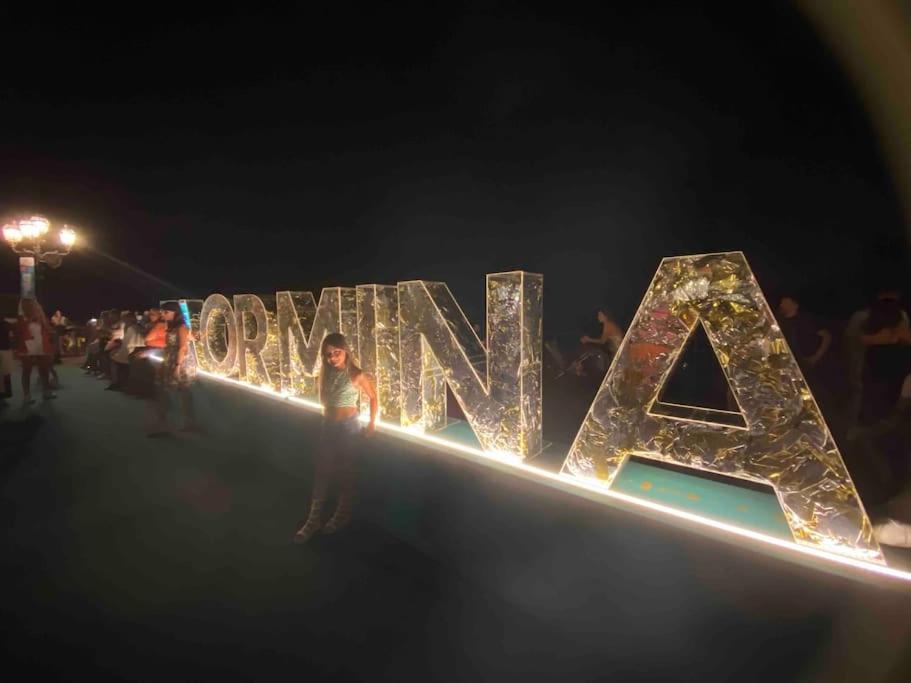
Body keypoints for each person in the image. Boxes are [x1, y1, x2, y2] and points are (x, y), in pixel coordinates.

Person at [294, 332, 377, 543]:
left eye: (337, 352)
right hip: (328, 426)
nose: (332, 358)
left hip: (349, 428)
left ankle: (341, 515)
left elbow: (373, 397)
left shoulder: (356, 374)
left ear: (345, 351)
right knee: (322, 471)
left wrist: (371, 424)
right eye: (328, 354)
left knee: (347, 472)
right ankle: (314, 519)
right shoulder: (326, 373)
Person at [149, 302, 198, 436]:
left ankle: (172, 423)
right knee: (175, 392)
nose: (163, 314)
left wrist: (177, 366)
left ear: (175, 313)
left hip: (180, 362)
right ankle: (173, 423)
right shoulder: (171, 327)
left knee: (178, 392)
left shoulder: (182, 327)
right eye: (162, 312)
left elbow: (182, 347)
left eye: (166, 312)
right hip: (171, 360)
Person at [16, 298, 55, 405]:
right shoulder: (22, 316)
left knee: (44, 369)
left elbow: (47, 329)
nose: (35, 307)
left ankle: (46, 391)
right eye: (33, 305)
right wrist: (30, 319)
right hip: (27, 345)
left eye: (36, 305)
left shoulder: (40, 317)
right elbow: (19, 329)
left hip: (41, 344)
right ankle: (27, 395)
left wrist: (41, 318)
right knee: (27, 370)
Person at [777, 295, 832, 371]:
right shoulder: (780, 321)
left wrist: (816, 357)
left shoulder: (806, 319)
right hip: (789, 361)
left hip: (808, 362)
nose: (781, 305)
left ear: (795, 305)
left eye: (786, 303)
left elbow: (827, 336)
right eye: (782, 303)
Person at [107, 311, 145, 391]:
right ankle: (119, 382)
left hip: (131, 351)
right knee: (115, 356)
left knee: (114, 358)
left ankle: (116, 383)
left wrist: (118, 350)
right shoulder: (136, 327)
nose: (123, 321)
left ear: (129, 319)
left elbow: (127, 344)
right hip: (135, 350)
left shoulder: (132, 328)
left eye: (124, 319)